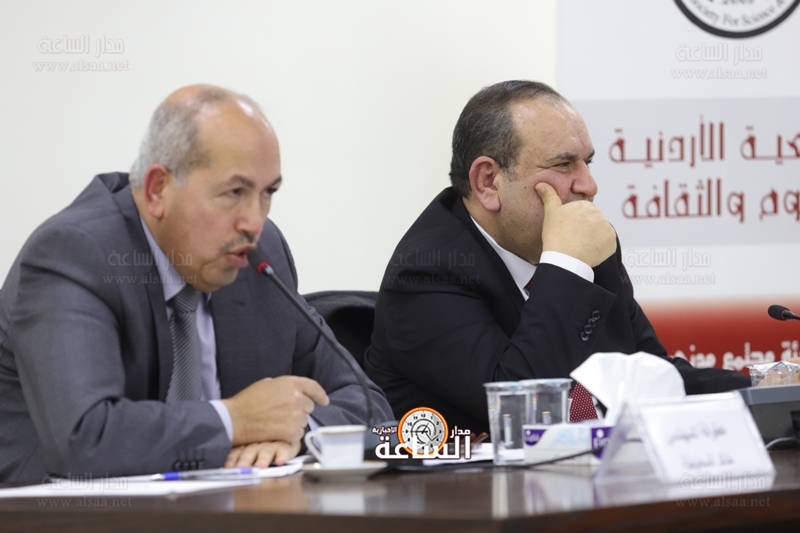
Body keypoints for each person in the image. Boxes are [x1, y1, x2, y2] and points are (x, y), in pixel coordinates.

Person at [0, 85, 392, 482]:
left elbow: (369, 404)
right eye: (234, 192)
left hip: (227, 507)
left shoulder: (258, 254)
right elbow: (84, 441)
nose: (254, 222)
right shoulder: (76, 253)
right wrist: (235, 421)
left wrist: (295, 431)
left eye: (267, 193)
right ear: (157, 189)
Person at [364, 80, 749, 435]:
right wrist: (566, 266)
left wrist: (764, 391)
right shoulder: (426, 273)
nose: (589, 185)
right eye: (563, 165)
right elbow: (522, 407)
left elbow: (649, 375)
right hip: (472, 485)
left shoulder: (586, 245)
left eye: (587, 163)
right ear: (488, 182)